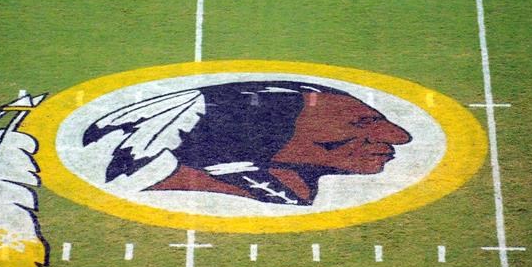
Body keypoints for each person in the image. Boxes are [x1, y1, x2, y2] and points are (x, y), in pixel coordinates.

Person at [82, 81, 411, 206]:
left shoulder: (283, 193)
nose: (399, 137)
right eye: (361, 123)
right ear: (260, 135)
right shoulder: (202, 195)